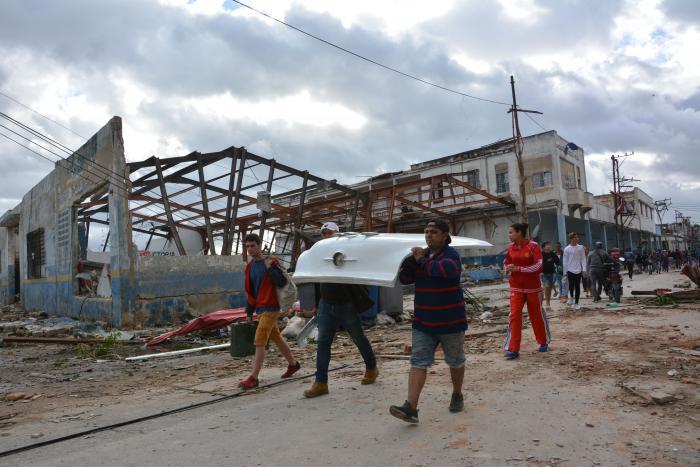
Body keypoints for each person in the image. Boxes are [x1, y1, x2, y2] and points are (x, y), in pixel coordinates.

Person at [389, 219, 467, 423]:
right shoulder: (422, 256)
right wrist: (408, 262)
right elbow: (406, 279)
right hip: (424, 321)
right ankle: (410, 407)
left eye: (433, 232)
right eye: (426, 232)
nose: (428, 235)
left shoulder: (452, 256)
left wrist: (421, 259)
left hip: (451, 321)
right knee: (418, 362)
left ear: (444, 235)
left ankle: (457, 393)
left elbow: (444, 271)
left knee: (455, 361)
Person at [303, 222, 378, 398]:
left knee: (358, 337)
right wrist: (316, 303)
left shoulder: (345, 253)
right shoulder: (320, 252)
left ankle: (371, 367)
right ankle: (321, 382)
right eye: (323, 233)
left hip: (346, 304)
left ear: (337, 235)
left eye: (329, 233)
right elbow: (315, 277)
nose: (325, 236)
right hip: (326, 304)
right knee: (323, 343)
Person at [238, 234, 301, 390]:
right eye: (247, 246)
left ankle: (253, 377)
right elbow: (250, 291)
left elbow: (282, 282)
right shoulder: (250, 267)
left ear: (259, 245)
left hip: (272, 306)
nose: (250, 249)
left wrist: (270, 268)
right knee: (276, 337)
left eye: (253, 245)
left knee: (260, 339)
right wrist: (249, 313)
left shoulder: (271, 262)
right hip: (259, 308)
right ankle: (293, 364)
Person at [500, 223, 550, 360]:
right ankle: (513, 348)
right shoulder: (511, 248)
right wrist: (507, 267)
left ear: (519, 232)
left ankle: (543, 341)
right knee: (514, 315)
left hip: (533, 288)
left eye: (511, 232)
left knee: (536, 315)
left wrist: (519, 269)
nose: (509, 235)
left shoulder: (533, 246)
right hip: (516, 287)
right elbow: (506, 261)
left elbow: (539, 266)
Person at [563, 232, 587, 310]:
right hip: (570, 270)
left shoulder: (580, 248)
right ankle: (571, 298)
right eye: (575, 237)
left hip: (578, 270)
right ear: (571, 239)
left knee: (577, 286)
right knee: (571, 285)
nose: (577, 239)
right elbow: (565, 261)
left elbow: (583, 258)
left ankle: (576, 303)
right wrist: (565, 271)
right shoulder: (567, 249)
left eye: (577, 237)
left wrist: (584, 270)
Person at [541, 241, 560, 312]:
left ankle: (548, 303)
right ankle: (546, 304)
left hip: (551, 274)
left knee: (549, 289)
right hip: (543, 274)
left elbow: (557, 262)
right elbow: (537, 263)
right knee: (546, 287)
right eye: (547, 245)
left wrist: (559, 266)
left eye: (549, 245)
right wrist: (539, 272)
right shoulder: (541, 254)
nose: (549, 246)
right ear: (543, 247)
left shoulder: (552, 254)